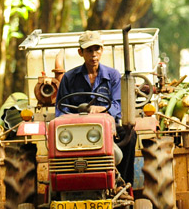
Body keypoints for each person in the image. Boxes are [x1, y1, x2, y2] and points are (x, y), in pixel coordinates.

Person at [54, 30, 137, 184]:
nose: (94, 54)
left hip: (107, 127)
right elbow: (61, 109)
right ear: (80, 52)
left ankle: (123, 183)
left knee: (130, 135)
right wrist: (73, 118)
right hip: (76, 129)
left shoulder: (112, 75)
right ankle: (63, 182)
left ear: (102, 50)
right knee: (56, 140)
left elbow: (117, 105)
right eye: (89, 50)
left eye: (97, 49)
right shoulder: (69, 78)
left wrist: (99, 110)